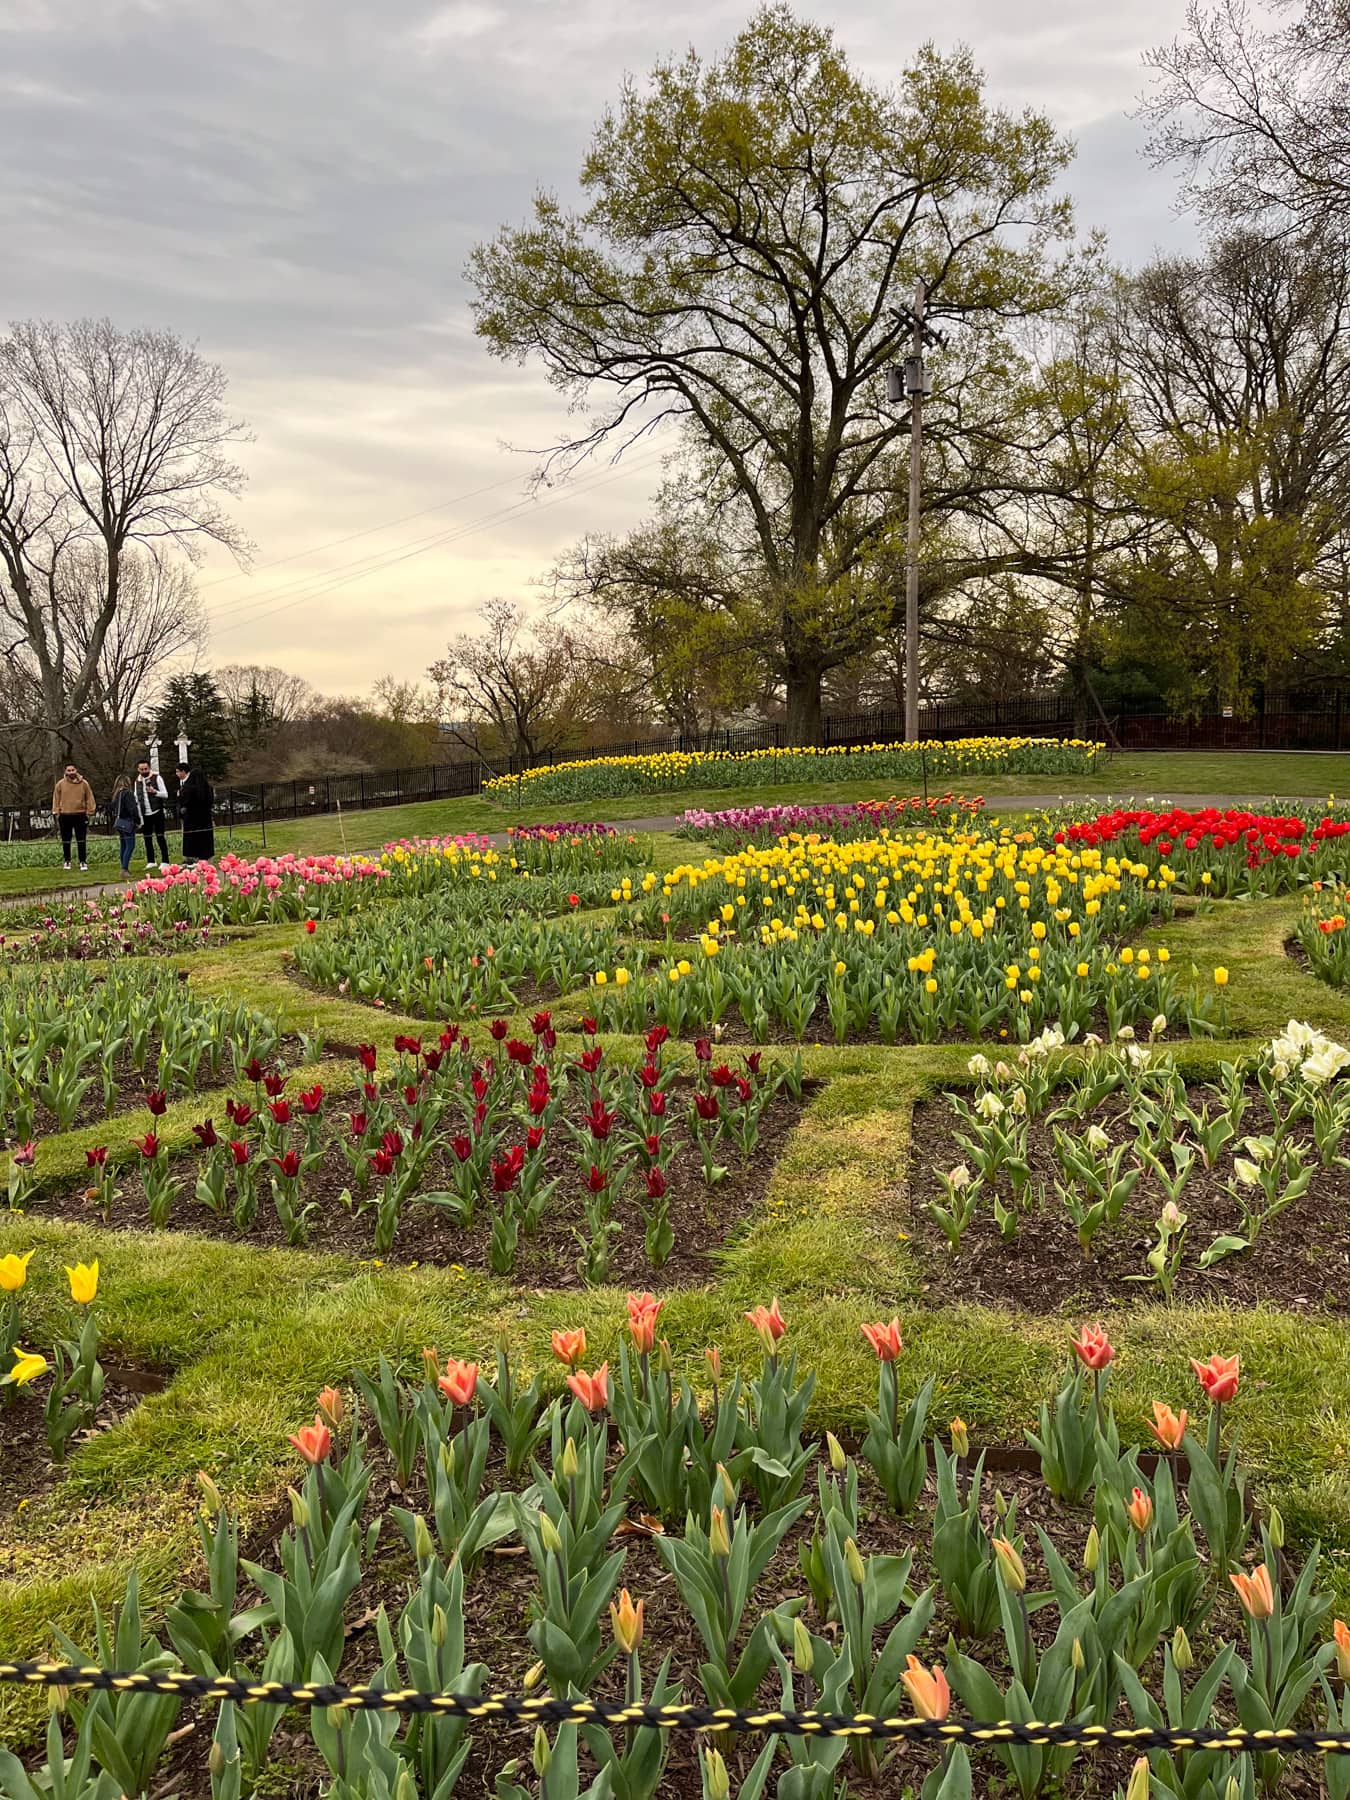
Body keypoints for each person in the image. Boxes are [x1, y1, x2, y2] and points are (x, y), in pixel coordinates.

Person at [51, 761, 96, 872]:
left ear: (76, 771)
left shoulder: (84, 783)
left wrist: (90, 810)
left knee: (81, 839)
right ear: (65, 772)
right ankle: (67, 860)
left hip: (80, 814)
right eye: (69, 770)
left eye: (73, 770)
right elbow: (56, 799)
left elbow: (89, 797)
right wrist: (56, 811)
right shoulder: (60, 784)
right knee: (66, 839)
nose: (71, 772)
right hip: (65, 815)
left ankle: (83, 861)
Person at [176, 759, 215, 865]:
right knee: (205, 838)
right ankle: (206, 856)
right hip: (205, 817)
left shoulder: (189, 788)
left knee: (192, 838)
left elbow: (185, 802)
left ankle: (192, 857)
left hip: (192, 818)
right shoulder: (208, 789)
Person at [133, 759, 170, 868]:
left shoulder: (157, 778)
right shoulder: (137, 782)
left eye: (146, 769)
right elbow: (136, 797)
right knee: (147, 838)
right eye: (142, 769)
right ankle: (151, 861)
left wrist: (155, 792)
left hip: (157, 811)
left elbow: (165, 794)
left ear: (149, 768)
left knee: (160, 836)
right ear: (138, 769)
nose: (144, 771)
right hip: (145, 814)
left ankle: (165, 861)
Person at [110, 775, 141, 876]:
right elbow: (132, 809)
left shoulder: (116, 795)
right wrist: (137, 821)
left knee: (123, 845)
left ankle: (123, 866)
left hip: (120, 822)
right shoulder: (128, 794)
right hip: (128, 822)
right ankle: (124, 868)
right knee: (130, 845)